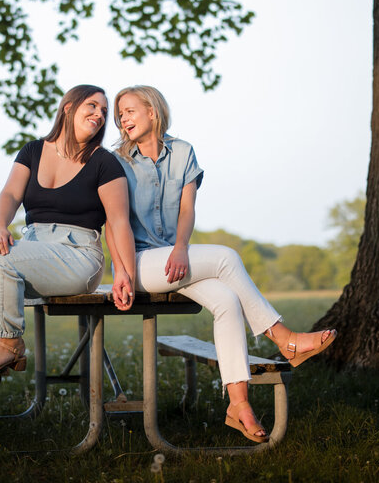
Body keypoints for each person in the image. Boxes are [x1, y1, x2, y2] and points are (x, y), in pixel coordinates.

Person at [110, 85, 336, 443]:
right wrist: (122, 271)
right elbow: (114, 221)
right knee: (226, 257)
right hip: (137, 264)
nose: (122, 119)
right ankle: (285, 338)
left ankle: (239, 405)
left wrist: (182, 247)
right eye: (119, 113)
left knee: (227, 302)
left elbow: (187, 209)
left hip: (174, 258)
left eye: (129, 110)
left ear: (152, 112)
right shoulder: (116, 160)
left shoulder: (183, 152)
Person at [0, 84, 137, 372]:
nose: (100, 114)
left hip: (78, 256)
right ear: (68, 108)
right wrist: (0, 226)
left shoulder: (104, 163)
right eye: (92, 106)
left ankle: (11, 344)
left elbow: (119, 221)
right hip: (34, 248)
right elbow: (10, 194)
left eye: (104, 111)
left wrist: (125, 273)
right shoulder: (33, 150)